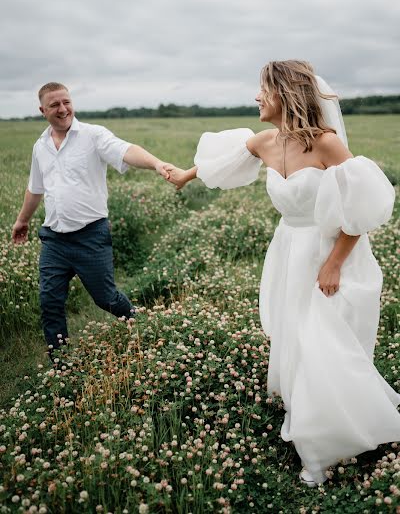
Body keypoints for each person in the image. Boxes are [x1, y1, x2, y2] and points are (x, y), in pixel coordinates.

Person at [165, 60, 400, 486]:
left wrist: (333, 264)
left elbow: (361, 208)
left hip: (331, 253)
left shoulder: (326, 144)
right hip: (289, 250)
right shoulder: (265, 141)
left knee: (320, 342)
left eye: (263, 90)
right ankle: (327, 417)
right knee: (295, 336)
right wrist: (185, 175)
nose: (257, 97)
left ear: (286, 94)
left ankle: (320, 451)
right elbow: (220, 162)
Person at [12, 82, 173, 365]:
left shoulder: (93, 135)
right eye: (54, 105)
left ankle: (142, 325)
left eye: (66, 102)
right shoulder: (41, 146)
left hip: (90, 236)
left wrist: (157, 164)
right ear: (42, 110)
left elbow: (126, 150)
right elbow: (35, 188)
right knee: (50, 303)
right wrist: (22, 220)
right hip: (54, 239)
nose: (63, 109)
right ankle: (61, 366)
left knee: (106, 299)